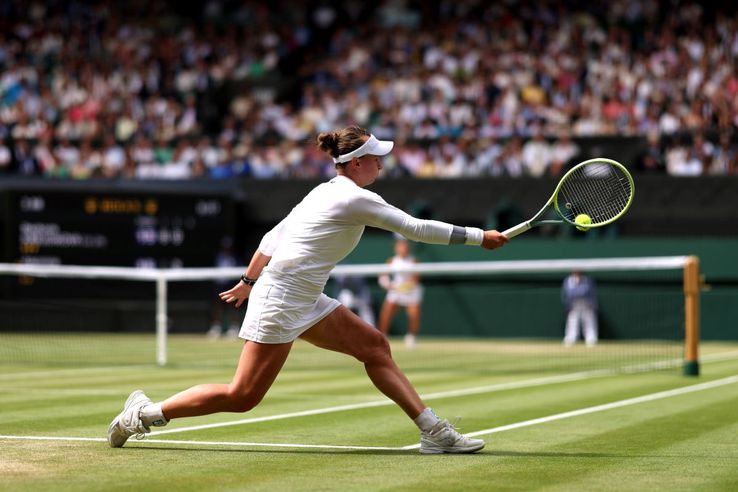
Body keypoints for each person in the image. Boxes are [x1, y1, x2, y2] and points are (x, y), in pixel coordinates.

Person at [107, 125, 509, 454]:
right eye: (376, 159)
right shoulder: (351, 199)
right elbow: (417, 229)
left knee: (374, 347)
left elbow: (270, 237)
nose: (381, 165)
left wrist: (248, 282)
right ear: (356, 163)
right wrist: (480, 236)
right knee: (243, 396)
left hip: (303, 297)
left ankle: (433, 431)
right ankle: (143, 414)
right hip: (282, 298)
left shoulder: (324, 191)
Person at [378, 236, 423, 349]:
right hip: (395, 291)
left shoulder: (414, 261)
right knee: (386, 314)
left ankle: (411, 337)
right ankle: (382, 337)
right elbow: (383, 276)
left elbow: (416, 279)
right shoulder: (391, 261)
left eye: (405, 245)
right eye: (401, 245)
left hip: (411, 292)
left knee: (414, 314)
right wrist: (388, 285)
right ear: (396, 247)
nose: (403, 248)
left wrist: (407, 286)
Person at [207, 236, 241, 340]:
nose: (227, 249)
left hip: (231, 284)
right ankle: (216, 328)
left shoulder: (235, 258)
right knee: (217, 306)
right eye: (225, 247)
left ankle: (234, 328)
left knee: (233, 306)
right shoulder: (217, 257)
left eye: (228, 247)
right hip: (219, 285)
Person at [561, 271, 598, 347]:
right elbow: (568, 293)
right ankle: (571, 339)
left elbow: (589, 292)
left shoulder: (587, 280)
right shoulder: (568, 280)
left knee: (589, 322)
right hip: (573, 305)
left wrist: (593, 304)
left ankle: (591, 339)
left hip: (586, 304)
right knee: (572, 322)